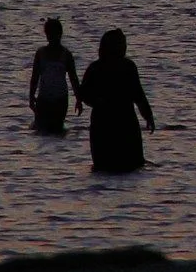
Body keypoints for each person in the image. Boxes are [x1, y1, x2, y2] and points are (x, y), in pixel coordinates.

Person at [77, 29, 154, 172]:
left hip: (123, 123)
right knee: (115, 165)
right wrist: (98, 101)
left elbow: (138, 95)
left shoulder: (126, 67)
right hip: (107, 124)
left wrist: (148, 115)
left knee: (124, 164)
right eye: (121, 44)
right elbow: (83, 94)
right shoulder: (98, 68)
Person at [28, 17, 82, 134]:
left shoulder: (66, 54)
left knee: (58, 129)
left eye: (55, 34)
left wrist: (78, 99)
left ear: (60, 34)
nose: (52, 37)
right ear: (46, 35)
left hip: (60, 98)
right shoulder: (40, 53)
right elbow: (35, 77)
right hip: (43, 98)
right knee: (41, 129)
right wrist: (31, 97)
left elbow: (73, 78)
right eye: (50, 34)